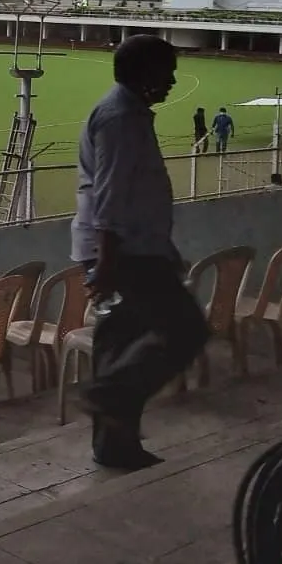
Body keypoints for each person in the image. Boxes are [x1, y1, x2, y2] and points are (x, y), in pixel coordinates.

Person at [73, 34, 209, 470]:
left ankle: (115, 446)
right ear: (144, 72)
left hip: (133, 248)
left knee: (120, 347)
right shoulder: (120, 120)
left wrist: (160, 248)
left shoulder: (129, 113)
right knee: (186, 329)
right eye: (166, 72)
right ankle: (109, 396)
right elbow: (110, 198)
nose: (171, 81)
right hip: (125, 251)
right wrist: (109, 262)